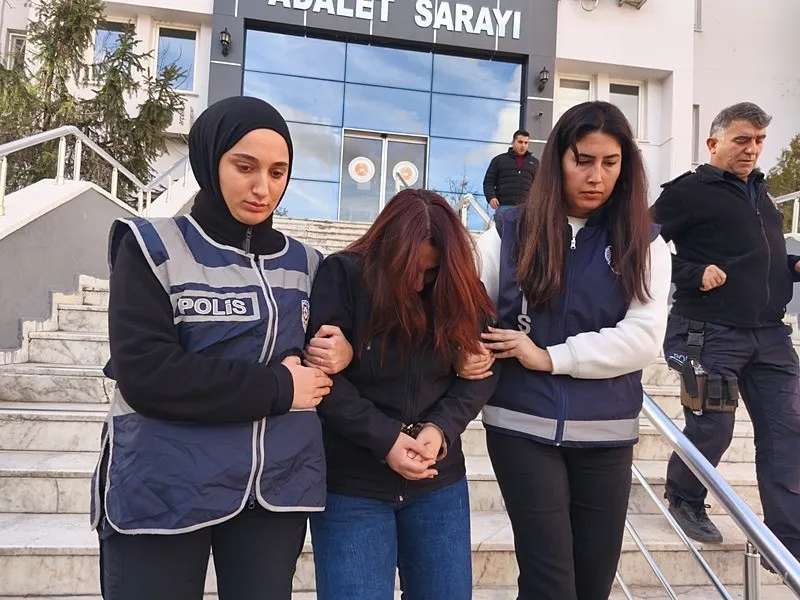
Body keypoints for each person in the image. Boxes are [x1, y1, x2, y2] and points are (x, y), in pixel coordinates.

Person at [91, 96, 354, 600]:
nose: (262, 188)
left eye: (278, 172)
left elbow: (333, 350)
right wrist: (279, 387)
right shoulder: (152, 246)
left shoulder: (308, 264)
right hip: (164, 485)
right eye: (245, 166)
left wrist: (343, 350)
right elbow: (148, 374)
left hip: (272, 491)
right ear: (210, 162)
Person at [469, 101, 671, 600]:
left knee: (593, 584)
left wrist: (550, 356)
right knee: (549, 584)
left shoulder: (645, 241)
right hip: (521, 426)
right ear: (558, 159)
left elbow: (644, 336)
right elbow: (467, 308)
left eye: (610, 162)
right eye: (583, 160)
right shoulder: (508, 230)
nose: (596, 176)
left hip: (607, 432)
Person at [305, 188, 499, 600]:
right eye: (407, 270)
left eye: (431, 273)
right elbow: (321, 380)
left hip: (438, 484)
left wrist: (441, 428)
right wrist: (386, 439)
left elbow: (483, 371)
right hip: (352, 486)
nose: (416, 283)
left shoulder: (462, 286)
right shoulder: (344, 274)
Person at [651, 102, 800, 559]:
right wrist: (691, 272)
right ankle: (684, 496)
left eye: (759, 141)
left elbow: (760, 257)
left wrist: (793, 265)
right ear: (713, 142)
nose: (752, 149)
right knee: (713, 426)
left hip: (770, 335)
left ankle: (787, 542)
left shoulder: (762, 193)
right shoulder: (686, 192)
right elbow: (634, 245)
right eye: (742, 140)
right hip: (705, 332)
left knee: (788, 432)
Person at [483, 129, 540, 215]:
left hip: (527, 209)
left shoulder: (535, 163)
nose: (523, 145)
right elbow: (488, 182)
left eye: (526, 143)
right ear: (513, 142)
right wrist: (491, 197)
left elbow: (539, 186)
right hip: (504, 207)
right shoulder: (499, 160)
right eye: (520, 142)